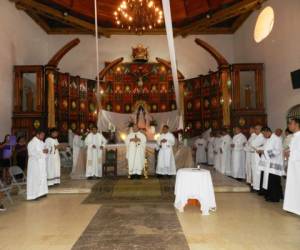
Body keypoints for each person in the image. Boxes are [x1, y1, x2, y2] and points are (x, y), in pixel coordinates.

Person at [257, 127, 284, 202]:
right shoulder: (269, 139)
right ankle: (270, 195)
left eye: (263, 134)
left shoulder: (276, 138)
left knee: (274, 181)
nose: (263, 136)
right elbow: (266, 149)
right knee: (269, 181)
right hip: (268, 164)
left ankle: (275, 197)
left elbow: (277, 151)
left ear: (267, 131)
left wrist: (264, 152)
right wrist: (262, 151)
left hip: (274, 163)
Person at [283, 118, 300, 215]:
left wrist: (290, 154)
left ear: (297, 124)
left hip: (298, 165)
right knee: (292, 186)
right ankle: (293, 206)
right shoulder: (294, 136)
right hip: (293, 165)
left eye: (291, 124)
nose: (289, 125)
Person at [27, 130, 48, 200]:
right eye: (42, 135)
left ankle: (41, 193)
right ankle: (34, 195)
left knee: (42, 177)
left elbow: (46, 150)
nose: (43, 137)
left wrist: (46, 151)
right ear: (37, 135)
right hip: (34, 164)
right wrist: (43, 152)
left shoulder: (42, 142)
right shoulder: (31, 143)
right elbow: (31, 153)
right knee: (35, 179)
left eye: (44, 135)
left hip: (41, 163)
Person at [250, 125, 266, 191]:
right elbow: (252, 144)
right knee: (254, 171)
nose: (255, 130)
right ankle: (255, 185)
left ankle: (257, 187)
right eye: (255, 129)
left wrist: (255, 147)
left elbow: (253, 144)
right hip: (255, 155)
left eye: (257, 129)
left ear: (260, 130)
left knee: (257, 171)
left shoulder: (261, 137)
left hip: (258, 157)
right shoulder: (257, 136)